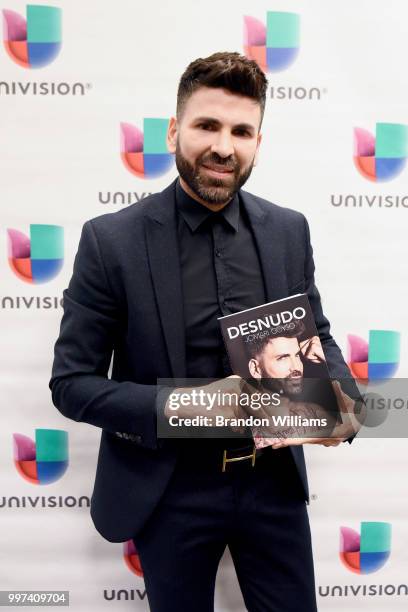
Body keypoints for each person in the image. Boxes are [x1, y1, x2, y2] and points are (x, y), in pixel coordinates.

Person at [50, 52, 358, 612]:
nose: (224, 146)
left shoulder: (289, 230)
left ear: (258, 143)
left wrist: (343, 403)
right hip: (168, 491)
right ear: (174, 131)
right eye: (207, 126)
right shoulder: (111, 241)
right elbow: (71, 385)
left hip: (274, 487)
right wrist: (190, 408)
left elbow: (320, 338)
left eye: (242, 131)